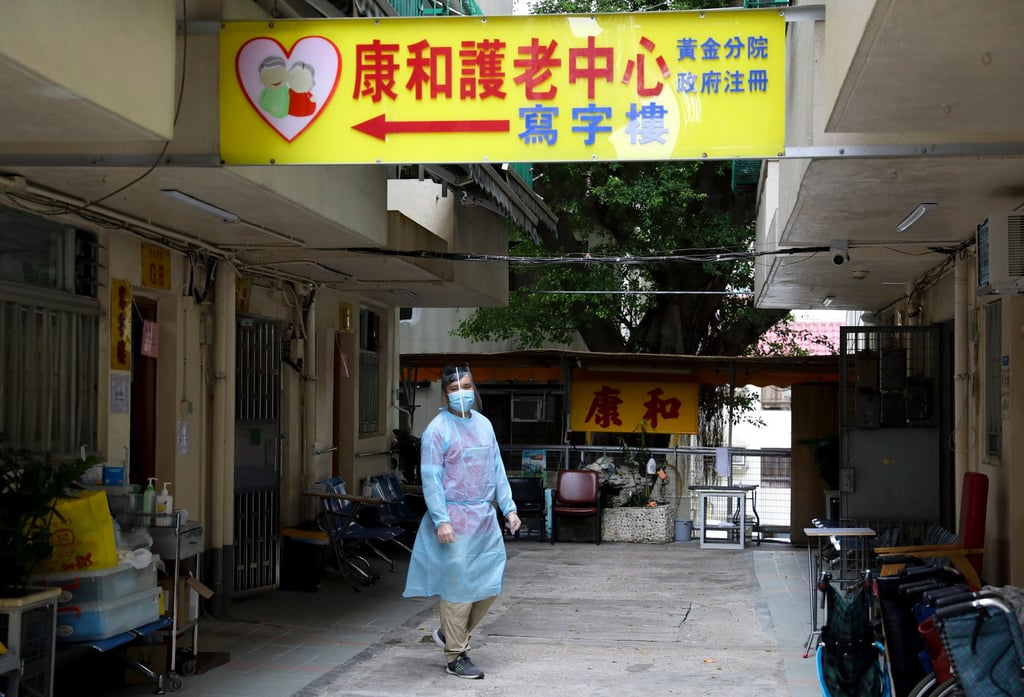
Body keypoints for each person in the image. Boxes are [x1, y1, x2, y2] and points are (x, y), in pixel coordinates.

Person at [403, 363, 521, 679]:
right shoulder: (436, 431)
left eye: (466, 387)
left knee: (489, 583)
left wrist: (509, 509)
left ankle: (450, 632)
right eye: (454, 389)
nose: (461, 394)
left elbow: (497, 469)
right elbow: (431, 479)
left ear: (474, 389)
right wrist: (441, 520)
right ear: (444, 394)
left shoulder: (484, 426)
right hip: (453, 521)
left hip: (483, 519)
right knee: (457, 588)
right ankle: (456, 655)